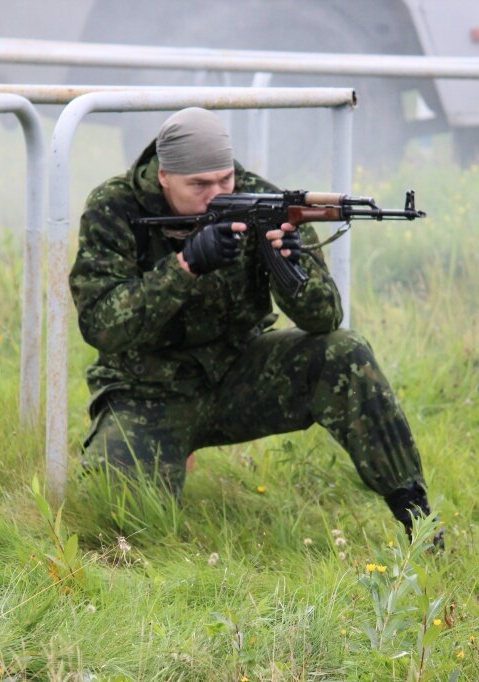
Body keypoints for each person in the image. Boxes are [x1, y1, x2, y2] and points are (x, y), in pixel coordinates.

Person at [69, 107, 439, 542]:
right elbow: (100, 324)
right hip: (146, 390)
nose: (217, 194)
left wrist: (287, 265)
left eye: (225, 180)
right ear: (165, 176)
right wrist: (185, 267)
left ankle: (420, 519)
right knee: (122, 528)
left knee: (345, 352)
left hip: (239, 376)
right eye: (199, 185)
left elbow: (326, 318)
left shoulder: (262, 201)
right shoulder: (114, 207)